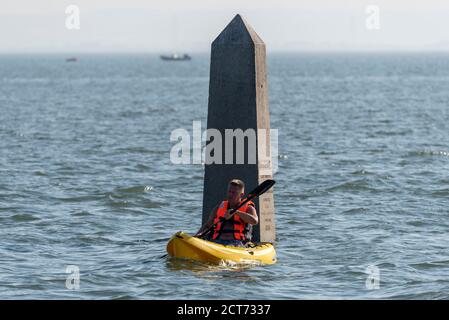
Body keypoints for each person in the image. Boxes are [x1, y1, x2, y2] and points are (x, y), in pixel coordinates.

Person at [195, 179, 258, 247]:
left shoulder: (248, 208)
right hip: (216, 241)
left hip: (237, 243)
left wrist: (236, 212)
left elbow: (255, 221)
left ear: (241, 195)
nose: (230, 194)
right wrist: (197, 235)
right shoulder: (218, 207)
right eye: (229, 191)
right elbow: (208, 225)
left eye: (233, 192)